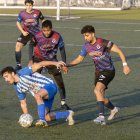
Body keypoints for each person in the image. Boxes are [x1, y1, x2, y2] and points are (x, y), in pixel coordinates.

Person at [66, 25, 130, 125]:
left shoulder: (103, 42)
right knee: (99, 96)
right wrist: (67, 65)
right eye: (84, 36)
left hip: (108, 71)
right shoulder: (86, 46)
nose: (85, 38)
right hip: (98, 72)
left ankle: (101, 117)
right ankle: (114, 109)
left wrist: (125, 65)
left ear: (93, 34)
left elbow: (119, 51)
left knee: (97, 90)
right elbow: (79, 59)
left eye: (87, 35)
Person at [1, 61, 74, 127]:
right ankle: (67, 114)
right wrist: (26, 117)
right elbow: (23, 103)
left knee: (37, 96)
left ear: (13, 74)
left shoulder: (24, 72)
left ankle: (41, 120)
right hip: (43, 96)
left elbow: (41, 64)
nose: (6, 80)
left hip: (50, 86)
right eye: (4, 78)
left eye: (7, 76)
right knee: (45, 117)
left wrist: (56, 63)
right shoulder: (17, 87)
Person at [28, 20, 71, 111]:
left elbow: (62, 49)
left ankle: (63, 102)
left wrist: (64, 64)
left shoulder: (57, 36)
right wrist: (31, 60)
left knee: (60, 81)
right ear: (42, 30)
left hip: (52, 60)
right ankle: (40, 101)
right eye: (44, 30)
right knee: (35, 81)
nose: (46, 32)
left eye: (48, 30)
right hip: (38, 59)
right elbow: (30, 46)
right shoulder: (37, 35)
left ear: (52, 28)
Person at [14, 0, 45, 71]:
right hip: (26, 33)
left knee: (41, 49)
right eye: (27, 5)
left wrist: (43, 30)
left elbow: (43, 20)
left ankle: (43, 66)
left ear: (32, 5)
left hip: (36, 34)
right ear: (25, 6)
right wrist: (23, 31)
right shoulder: (22, 13)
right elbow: (18, 23)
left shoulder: (37, 12)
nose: (28, 7)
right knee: (17, 46)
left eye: (30, 5)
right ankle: (18, 65)